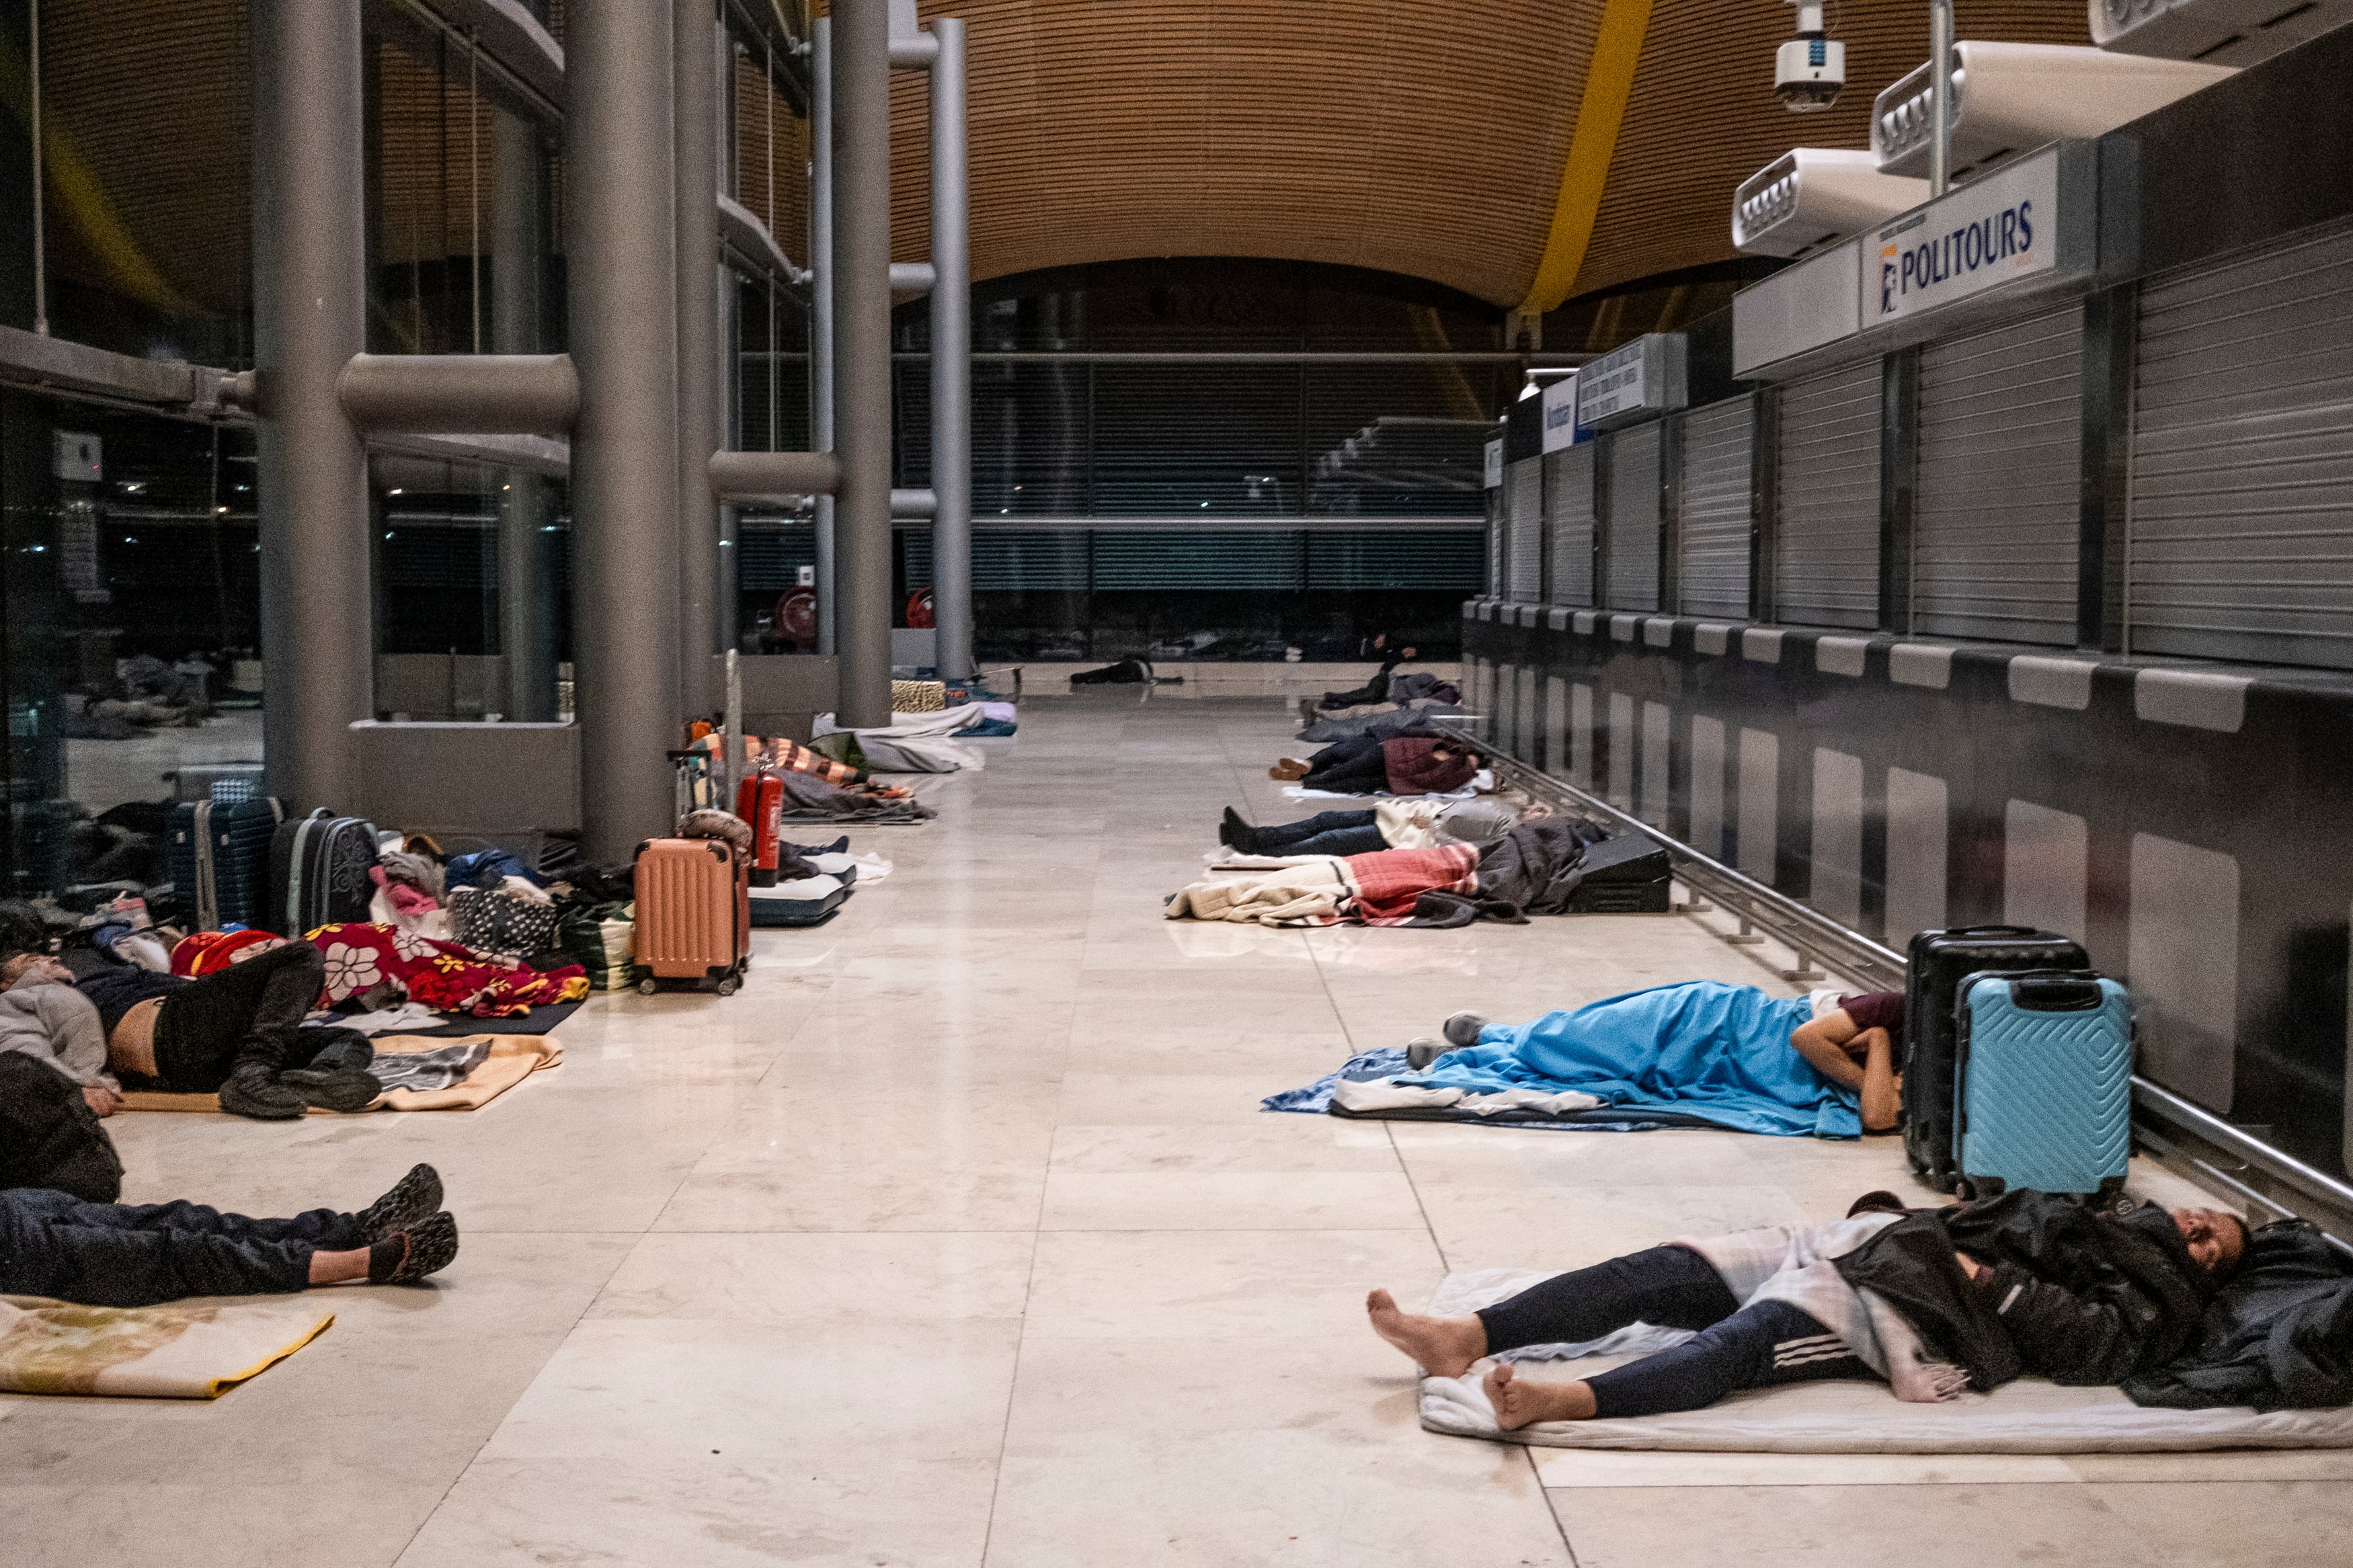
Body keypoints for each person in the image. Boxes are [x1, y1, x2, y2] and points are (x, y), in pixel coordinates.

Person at [1365, 1189, 2249, 1430]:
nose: (2199, 1232)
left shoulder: (2158, 1297)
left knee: (1752, 1337)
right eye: (2206, 1219)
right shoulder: (2094, 1215)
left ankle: (1564, 1401)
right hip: (1888, 1244)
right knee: (1668, 1268)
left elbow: (2094, 1346)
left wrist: (1987, 1282)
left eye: (2215, 1248)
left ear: (2204, 1277)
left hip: (1923, 1302)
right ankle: (1465, 1336)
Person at [0, 903, 372, 1121]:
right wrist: (80, 1085)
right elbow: (21, 1053)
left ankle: (303, 1080)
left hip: (202, 1049)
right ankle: (254, 1073)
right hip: (168, 1033)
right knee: (303, 955)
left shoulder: (89, 976)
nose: (48, 960)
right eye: (32, 960)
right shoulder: (20, 1001)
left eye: (46, 955)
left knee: (347, 1038)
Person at [1402, 984, 1906, 1137]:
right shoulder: (1900, 1004)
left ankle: (1480, 1050)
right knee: (1602, 1031)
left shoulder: (1899, 1033)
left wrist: (1878, 1040)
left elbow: (1878, 1117)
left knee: (1620, 1073)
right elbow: (1805, 1036)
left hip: (1746, 1070)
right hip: (1730, 1020)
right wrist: (1872, 1072)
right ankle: (1504, 1035)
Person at [0, 1163, 456, 1307]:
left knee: (185, 1218)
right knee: (171, 1252)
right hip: (14, 1256)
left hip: (14, 1208)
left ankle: (351, 1229)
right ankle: (358, 1262)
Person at [1217, 797, 1519, 859]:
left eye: (1542, 812)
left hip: (1414, 835)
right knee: (1327, 819)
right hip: (1405, 815)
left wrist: (1436, 827)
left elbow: (1468, 851)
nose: (1539, 809)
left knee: (1330, 840)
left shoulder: (1509, 834)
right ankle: (1256, 837)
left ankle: (1261, 852)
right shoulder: (1504, 812)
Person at [1317, 633, 1417, 712]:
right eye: (1409, 651)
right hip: (1385, 682)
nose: (1408, 655)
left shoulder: (1401, 655)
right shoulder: (1395, 649)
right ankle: (1334, 697)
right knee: (1368, 694)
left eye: (1411, 655)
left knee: (1367, 703)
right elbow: (1385, 668)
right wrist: (1399, 654)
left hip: (1388, 694)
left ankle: (1329, 705)